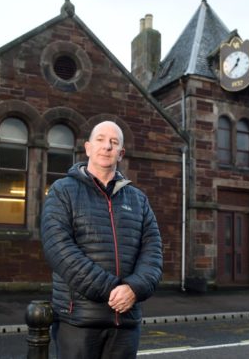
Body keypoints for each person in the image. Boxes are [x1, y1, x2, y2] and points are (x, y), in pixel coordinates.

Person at [41, 120, 163, 359]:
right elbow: (59, 249)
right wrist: (113, 291)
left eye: (114, 142)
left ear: (121, 153)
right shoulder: (62, 190)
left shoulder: (138, 199)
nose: (107, 146)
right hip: (78, 321)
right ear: (87, 148)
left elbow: (153, 252)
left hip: (125, 324)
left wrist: (134, 289)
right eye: (100, 140)